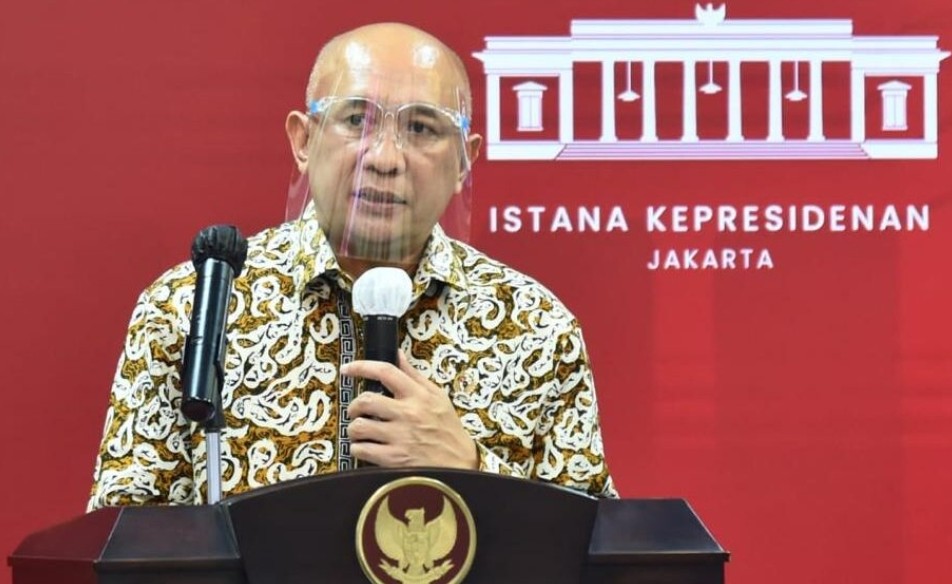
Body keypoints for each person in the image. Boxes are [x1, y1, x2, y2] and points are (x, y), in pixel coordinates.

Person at [88, 22, 616, 509]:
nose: (384, 158)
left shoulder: (534, 327)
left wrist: (472, 469)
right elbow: (123, 534)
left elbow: (594, 546)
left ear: (463, 160)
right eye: (356, 120)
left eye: (422, 128)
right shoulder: (193, 308)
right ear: (303, 140)